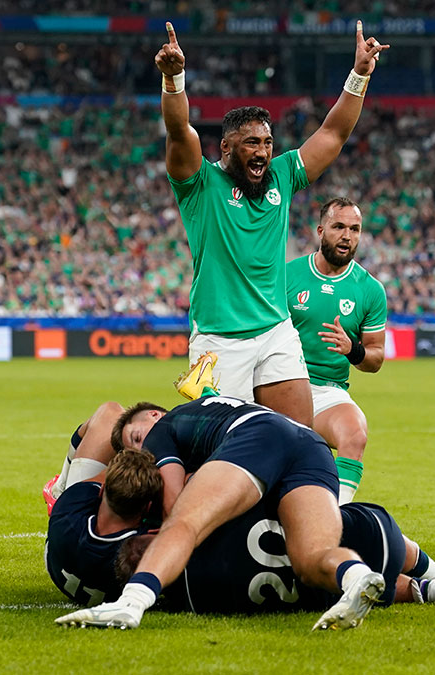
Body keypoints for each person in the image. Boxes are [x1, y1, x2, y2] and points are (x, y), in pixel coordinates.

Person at [156, 20, 388, 427]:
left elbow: (333, 132)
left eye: (267, 143)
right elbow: (179, 130)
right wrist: (174, 79)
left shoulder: (281, 175)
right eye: (252, 143)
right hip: (219, 341)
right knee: (224, 452)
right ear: (226, 147)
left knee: (298, 438)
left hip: (276, 333)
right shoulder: (200, 184)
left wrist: (359, 76)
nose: (263, 151)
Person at [56, 397, 385, 631]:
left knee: (185, 522)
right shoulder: (200, 418)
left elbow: (174, 508)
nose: (141, 451)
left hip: (260, 435)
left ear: (155, 415)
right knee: (312, 558)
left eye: (137, 437)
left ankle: (132, 602)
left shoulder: (162, 431)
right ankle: (355, 577)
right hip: (311, 446)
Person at [116, 500, 435, 615]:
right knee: (390, 548)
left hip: (320, 593)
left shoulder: (197, 598)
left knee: (380, 586)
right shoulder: (203, 529)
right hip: (370, 537)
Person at [285, 197, 387, 503]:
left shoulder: (369, 289)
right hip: (279, 382)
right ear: (320, 230)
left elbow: (376, 357)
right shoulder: (287, 276)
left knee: (355, 433)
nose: (347, 236)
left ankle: (337, 516)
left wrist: (353, 350)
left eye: (354, 229)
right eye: (338, 226)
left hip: (327, 392)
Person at [45, 448, 161, 606]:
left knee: (102, 424)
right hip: (108, 591)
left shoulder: (67, 507)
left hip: (59, 569)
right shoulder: (139, 550)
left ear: (100, 492)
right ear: (148, 507)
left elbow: (103, 479)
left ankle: (59, 485)